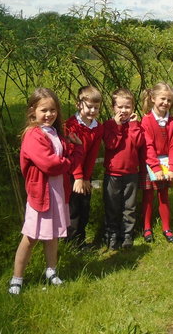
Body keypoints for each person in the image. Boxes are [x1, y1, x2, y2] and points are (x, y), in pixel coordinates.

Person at [8, 88, 83, 295]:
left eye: (53, 110)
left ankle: (51, 270)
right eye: (44, 110)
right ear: (33, 111)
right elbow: (51, 165)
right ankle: (17, 277)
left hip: (57, 192)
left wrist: (75, 149)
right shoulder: (33, 135)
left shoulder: (54, 133)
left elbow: (66, 155)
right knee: (31, 236)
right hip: (41, 194)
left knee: (52, 236)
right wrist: (70, 160)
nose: (49, 114)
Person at [102, 88, 145, 250]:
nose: (123, 111)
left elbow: (138, 143)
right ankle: (111, 236)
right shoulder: (109, 125)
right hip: (112, 173)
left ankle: (127, 235)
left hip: (131, 173)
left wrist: (133, 125)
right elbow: (111, 144)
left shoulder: (136, 125)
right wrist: (118, 126)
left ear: (132, 108)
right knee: (112, 206)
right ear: (113, 107)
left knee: (129, 207)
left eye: (127, 107)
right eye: (120, 107)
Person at [140, 82, 173, 243]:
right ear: (152, 99)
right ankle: (147, 228)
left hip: (166, 165)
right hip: (150, 164)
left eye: (169, 100)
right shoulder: (146, 121)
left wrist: (172, 168)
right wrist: (155, 167)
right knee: (148, 197)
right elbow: (148, 146)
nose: (165, 103)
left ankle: (166, 228)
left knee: (164, 197)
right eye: (162, 99)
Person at [65, 85, 103, 248]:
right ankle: (69, 244)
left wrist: (87, 178)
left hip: (85, 175)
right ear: (78, 104)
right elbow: (72, 152)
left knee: (84, 208)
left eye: (96, 107)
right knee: (72, 209)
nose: (92, 111)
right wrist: (79, 177)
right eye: (89, 106)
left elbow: (92, 155)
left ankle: (81, 241)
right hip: (71, 174)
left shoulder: (97, 128)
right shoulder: (71, 125)